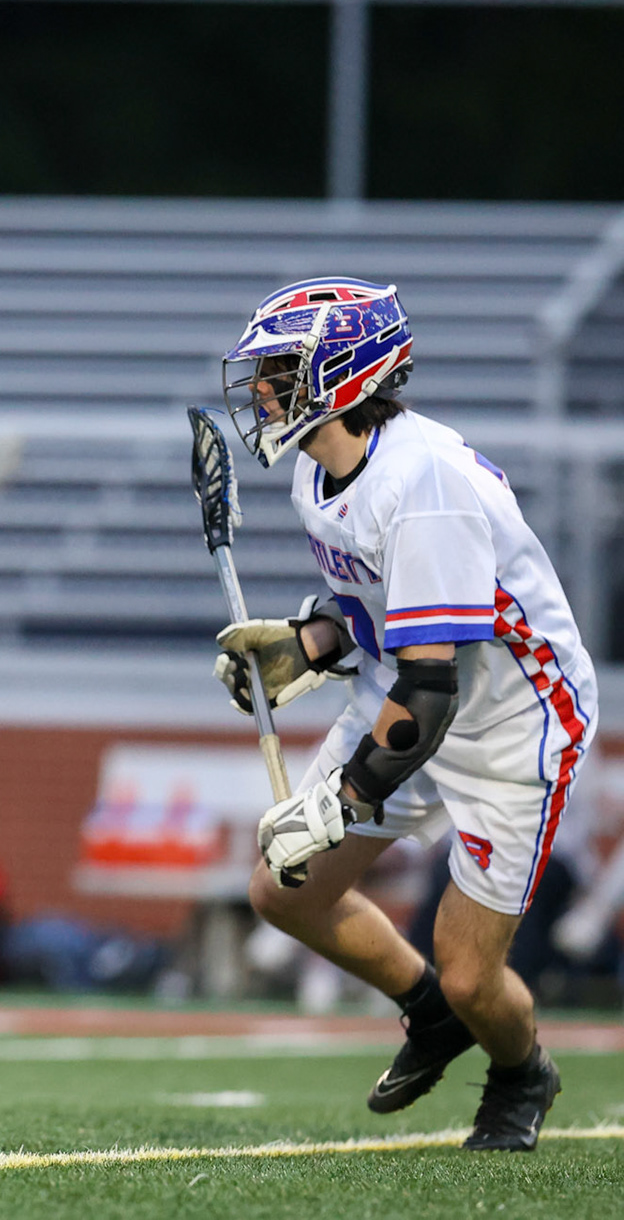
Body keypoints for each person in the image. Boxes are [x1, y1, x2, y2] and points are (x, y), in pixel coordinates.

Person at [213, 278, 594, 1151]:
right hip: (415, 689)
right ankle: (430, 1018)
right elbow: (381, 609)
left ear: (342, 377)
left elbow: (433, 687)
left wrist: (342, 798)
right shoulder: (321, 465)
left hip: (511, 724)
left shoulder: (424, 485)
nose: (263, 389)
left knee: (471, 972)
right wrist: (310, 642)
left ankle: (519, 1069)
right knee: (284, 889)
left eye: (279, 369)